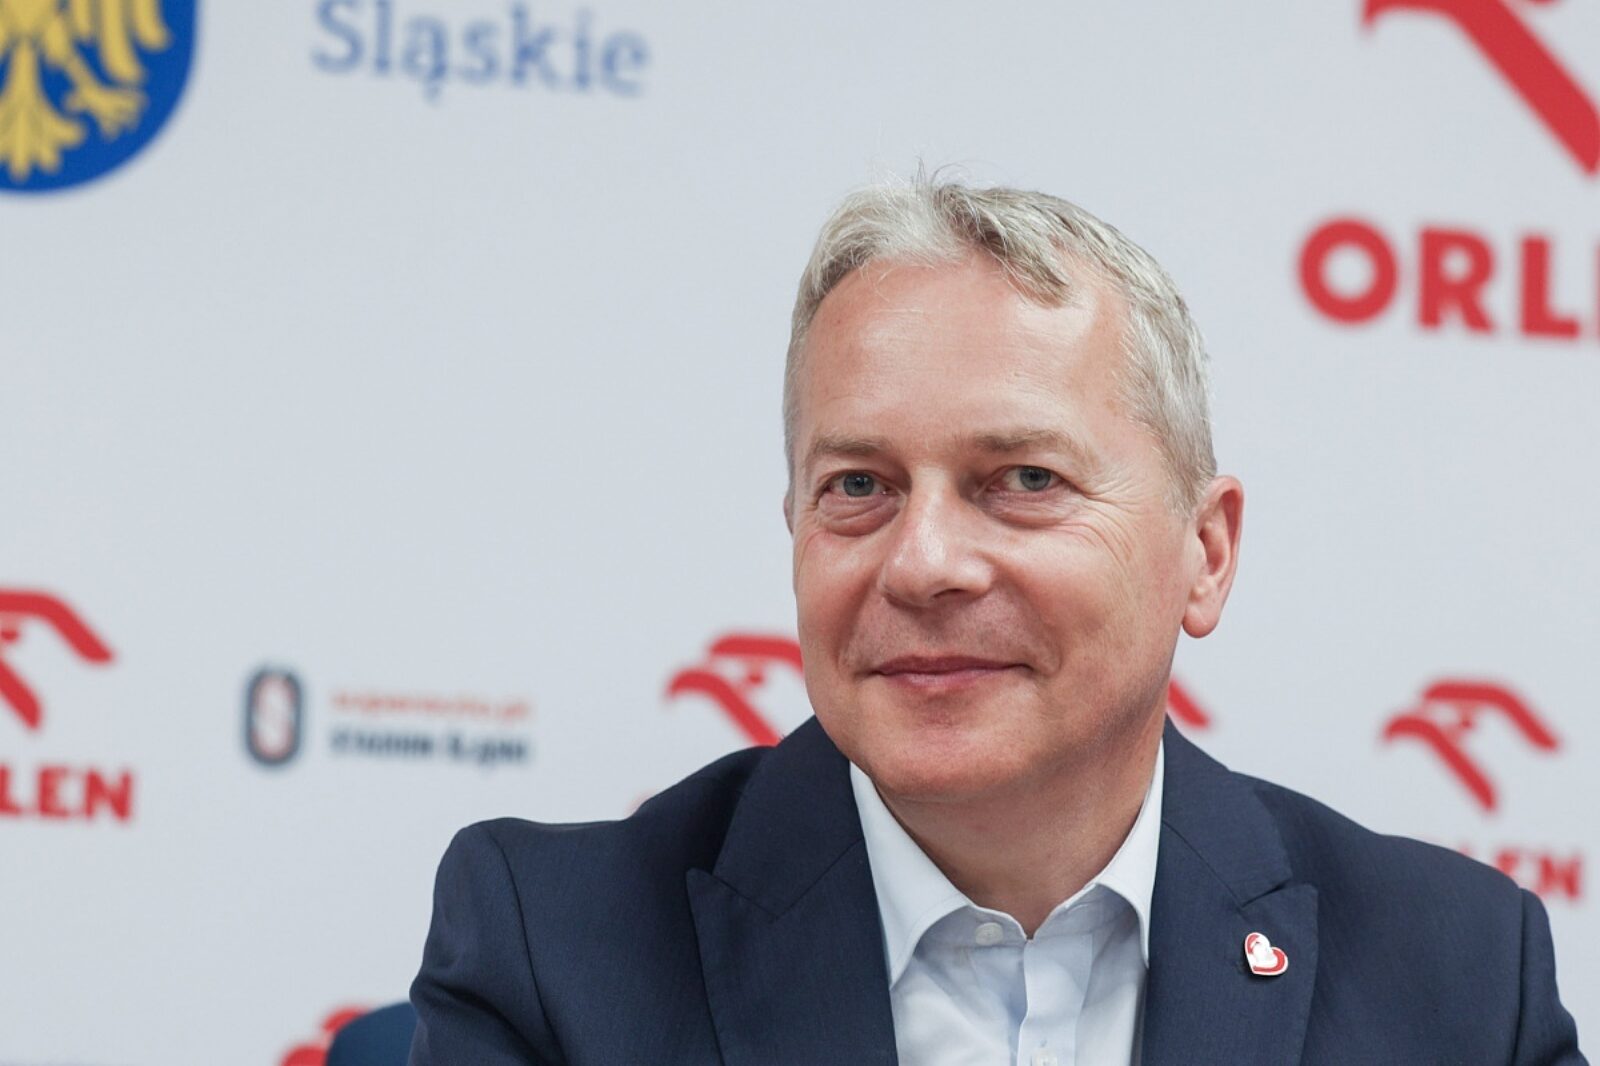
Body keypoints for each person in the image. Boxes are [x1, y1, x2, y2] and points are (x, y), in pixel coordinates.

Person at [406, 178, 1585, 1064]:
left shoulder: (1460, 980)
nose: (923, 564)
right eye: (858, 486)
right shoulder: (552, 950)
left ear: (1205, 551)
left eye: (1023, 479)